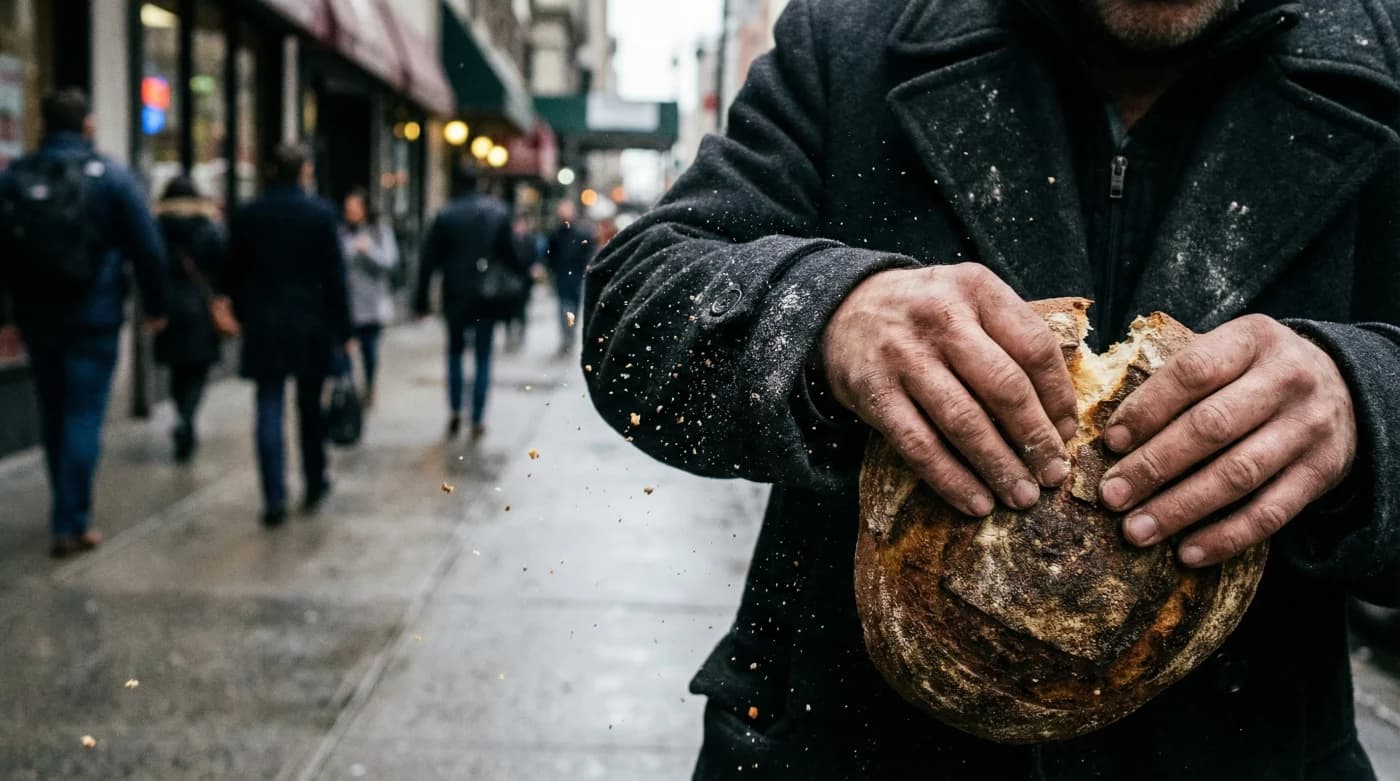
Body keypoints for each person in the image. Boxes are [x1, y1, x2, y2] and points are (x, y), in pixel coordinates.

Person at [582, 1, 1400, 778]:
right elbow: (634, 311)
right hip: (839, 746)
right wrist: (831, 314)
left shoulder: (1379, 62)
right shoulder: (851, 40)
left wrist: (1364, 403)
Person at [0, 88, 167, 558]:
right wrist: (156, 306)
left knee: (54, 411)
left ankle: (66, 508)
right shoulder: (110, 176)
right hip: (93, 315)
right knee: (83, 414)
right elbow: (147, 246)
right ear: (88, 125)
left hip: (37, 314)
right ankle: (70, 520)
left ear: (43, 125)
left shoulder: (19, 175)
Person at [224, 143, 349, 527]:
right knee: (310, 408)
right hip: (312, 325)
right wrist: (343, 330)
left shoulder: (249, 215)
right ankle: (314, 479)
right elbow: (335, 276)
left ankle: (273, 496)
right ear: (304, 172)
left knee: (269, 405)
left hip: (265, 323)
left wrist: (242, 312)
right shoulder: (321, 214)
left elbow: (232, 272)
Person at [414, 165, 525, 440]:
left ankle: (454, 410)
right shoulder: (497, 212)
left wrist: (421, 301)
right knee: (483, 355)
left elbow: (428, 262)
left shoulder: (445, 214)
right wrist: (523, 283)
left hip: (455, 294)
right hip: (486, 296)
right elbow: (511, 256)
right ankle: (477, 416)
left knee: (454, 352)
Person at [152, 175, 226, 462]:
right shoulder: (207, 228)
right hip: (200, 307)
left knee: (177, 370)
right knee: (197, 370)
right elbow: (221, 265)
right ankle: (187, 417)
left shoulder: (159, 228)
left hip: (169, 307)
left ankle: (182, 415)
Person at [340, 187, 398, 407]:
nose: (351, 213)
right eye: (348, 209)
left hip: (371, 303)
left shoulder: (379, 231)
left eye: (355, 208)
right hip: (346, 303)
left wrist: (369, 251)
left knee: (369, 350)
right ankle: (347, 390)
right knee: (343, 350)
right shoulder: (341, 231)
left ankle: (369, 386)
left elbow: (390, 262)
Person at [545, 201, 592, 356]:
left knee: (573, 308)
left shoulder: (582, 232)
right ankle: (566, 337)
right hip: (562, 277)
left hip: (576, 277)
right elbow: (550, 254)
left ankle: (569, 336)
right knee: (564, 308)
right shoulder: (556, 233)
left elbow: (587, 252)